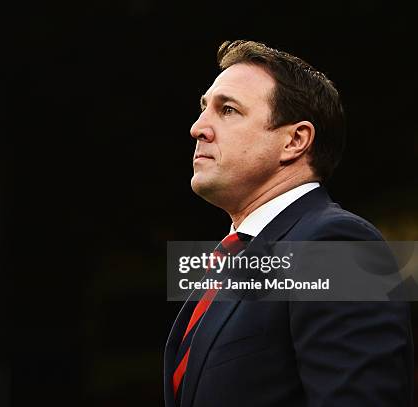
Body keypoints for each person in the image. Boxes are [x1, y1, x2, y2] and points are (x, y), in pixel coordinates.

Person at [164, 40, 414, 407]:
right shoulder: (234, 262)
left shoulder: (335, 245)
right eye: (204, 109)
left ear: (295, 141)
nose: (198, 128)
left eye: (228, 110)